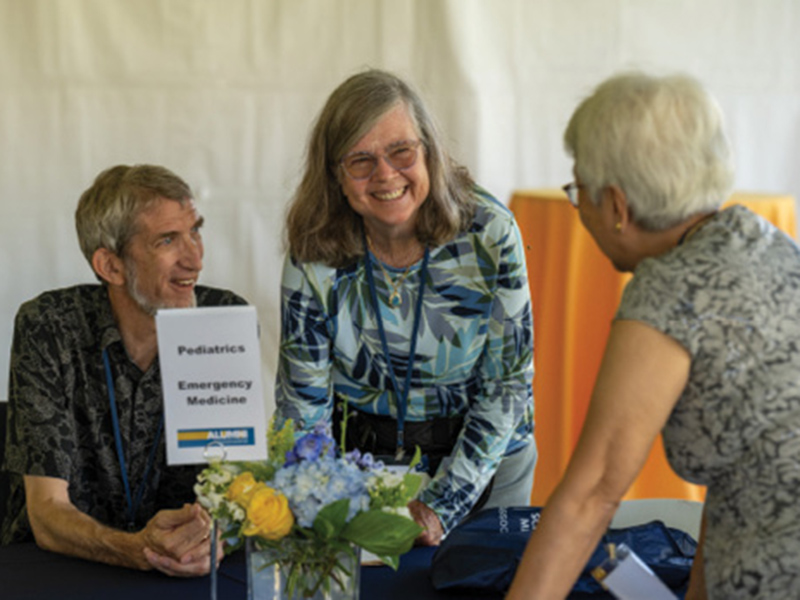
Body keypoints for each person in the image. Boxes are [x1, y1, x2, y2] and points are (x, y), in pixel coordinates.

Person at [506, 72, 800, 599]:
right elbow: (739, 473)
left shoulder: (668, 290)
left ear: (617, 205)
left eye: (580, 194)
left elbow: (592, 493)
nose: (581, 211)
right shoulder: (768, 242)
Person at [275, 69, 536, 545]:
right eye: (360, 160)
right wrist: (326, 505)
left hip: (484, 468)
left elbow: (509, 386)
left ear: (429, 153)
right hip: (356, 473)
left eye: (401, 151)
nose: (385, 174)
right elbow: (302, 409)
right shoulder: (313, 250)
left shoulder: (491, 233)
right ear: (335, 175)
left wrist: (440, 506)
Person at [0, 164, 247, 576]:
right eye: (168, 240)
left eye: (195, 232)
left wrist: (213, 541)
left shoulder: (222, 318)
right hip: (60, 568)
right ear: (110, 266)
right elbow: (46, 512)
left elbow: (237, 486)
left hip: (182, 570)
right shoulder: (48, 327)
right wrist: (134, 549)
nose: (195, 259)